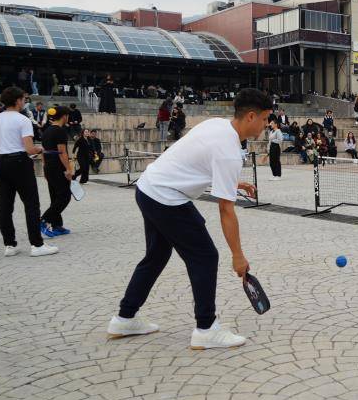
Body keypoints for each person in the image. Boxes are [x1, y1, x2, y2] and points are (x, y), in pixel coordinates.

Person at [107, 88, 271, 349]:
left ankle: (125, 318)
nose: (266, 125)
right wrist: (238, 255)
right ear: (251, 116)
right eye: (264, 119)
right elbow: (226, 210)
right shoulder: (228, 150)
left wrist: (233, 182)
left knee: (156, 256)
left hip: (148, 188)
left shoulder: (217, 125)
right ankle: (206, 328)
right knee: (205, 256)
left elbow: (197, 161)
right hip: (166, 197)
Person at [0, 87, 56, 257]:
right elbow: (29, 149)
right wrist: (39, 149)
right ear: (18, 100)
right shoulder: (22, 120)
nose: (25, 101)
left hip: (2, 162)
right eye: (24, 99)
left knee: (5, 205)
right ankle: (37, 244)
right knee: (31, 204)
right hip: (19, 162)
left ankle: (10, 244)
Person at [40, 107, 74, 237]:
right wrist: (68, 169)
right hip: (58, 167)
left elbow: (42, 151)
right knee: (65, 197)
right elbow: (62, 152)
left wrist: (44, 168)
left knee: (55, 197)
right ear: (64, 116)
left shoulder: (47, 130)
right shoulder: (60, 131)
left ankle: (56, 225)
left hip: (49, 166)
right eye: (67, 116)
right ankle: (44, 220)